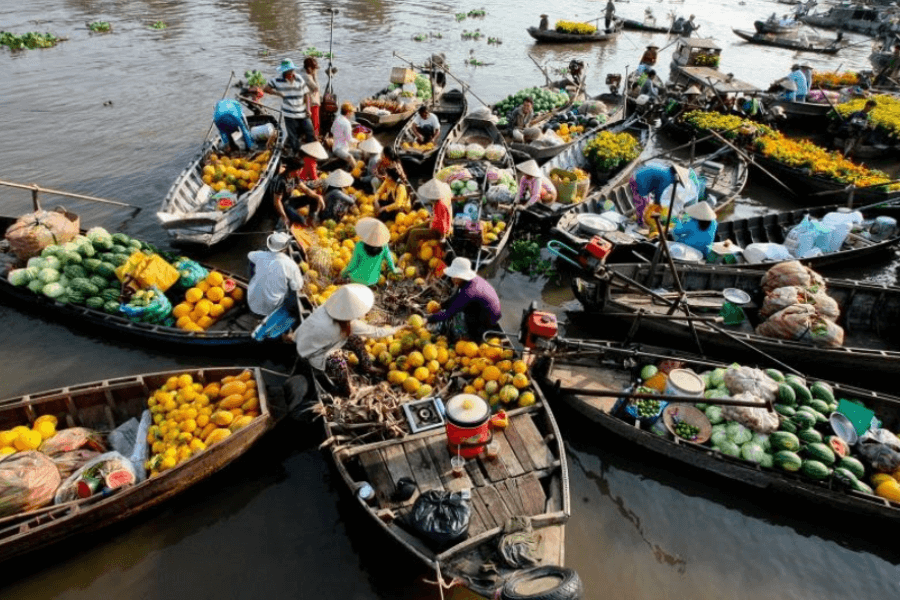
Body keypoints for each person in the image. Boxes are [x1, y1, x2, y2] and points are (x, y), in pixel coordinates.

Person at [292, 284, 400, 396]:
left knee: (354, 339)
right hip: (311, 354)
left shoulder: (325, 309)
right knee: (338, 360)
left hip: (308, 342)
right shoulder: (344, 326)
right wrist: (400, 328)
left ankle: (366, 366)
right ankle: (346, 390)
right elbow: (377, 333)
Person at [427, 257, 502, 343]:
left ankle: (473, 339)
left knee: (460, 316)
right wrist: (441, 305)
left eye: (454, 277)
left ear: (461, 276)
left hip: (487, 321)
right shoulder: (472, 281)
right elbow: (456, 298)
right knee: (461, 309)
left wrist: (429, 320)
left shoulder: (469, 291)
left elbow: (449, 313)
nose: (452, 279)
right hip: (487, 313)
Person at [264, 59, 314, 155]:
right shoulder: (277, 80)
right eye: (288, 71)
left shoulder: (299, 78)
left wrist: (308, 109)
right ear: (284, 71)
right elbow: (266, 88)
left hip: (302, 112)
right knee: (293, 136)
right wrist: (277, 93)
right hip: (289, 114)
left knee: (309, 131)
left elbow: (307, 95)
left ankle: (310, 152)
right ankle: (297, 154)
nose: (290, 73)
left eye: (291, 70)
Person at [247, 232, 303, 318]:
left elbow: (250, 255)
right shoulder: (290, 264)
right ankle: (288, 313)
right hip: (272, 308)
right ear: (285, 248)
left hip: (252, 304)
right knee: (292, 287)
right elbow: (297, 286)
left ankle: (253, 282)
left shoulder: (260, 255)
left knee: (253, 264)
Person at [341, 217, 399, 286]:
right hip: (373, 280)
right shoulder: (384, 246)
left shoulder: (359, 245)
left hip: (356, 279)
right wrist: (395, 270)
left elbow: (352, 265)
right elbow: (390, 262)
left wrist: (343, 275)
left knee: (350, 273)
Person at [271, 156, 325, 228]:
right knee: (300, 220)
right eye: (300, 169)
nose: (301, 171)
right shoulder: (281, 181)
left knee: (314, 199)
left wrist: (318, 197)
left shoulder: (295, 177)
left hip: (290, 200)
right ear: (295, 170)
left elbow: (305, 189)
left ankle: (311, 219)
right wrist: (284, 216)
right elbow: (277, 202)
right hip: (283, 204)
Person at [404, 178, 453, 254]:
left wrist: (442, 239)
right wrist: (430, 220)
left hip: (437, 232)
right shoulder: (436, 203)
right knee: (411, 229)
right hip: (433, 224)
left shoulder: (440, 205)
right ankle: (395, 243)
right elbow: (436, 216)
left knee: (414, 233)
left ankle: (409, 254)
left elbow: (444, 224)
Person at [331, 102, 359, 171]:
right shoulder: (347, 123)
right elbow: (349, 140)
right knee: (350, 157)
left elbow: (332, 130)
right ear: (348, 112)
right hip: (339, 149)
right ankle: (357, 173)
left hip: (336, 146)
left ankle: (349, 168)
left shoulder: (337, 119)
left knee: (358, 153)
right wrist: (358, 140)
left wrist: (339, 135)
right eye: (352, 112)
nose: (352, 114)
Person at [301, 57, 321, 137]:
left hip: (306, 102)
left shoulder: (302, 72)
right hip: (311, 102)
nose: (315, 70)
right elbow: (317, 88)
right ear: (309, 68)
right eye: (314, 69)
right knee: (315, 124)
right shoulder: (307, 77)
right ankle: (315, 138)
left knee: (310, 123)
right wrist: (314, 75)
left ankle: (311, 136)